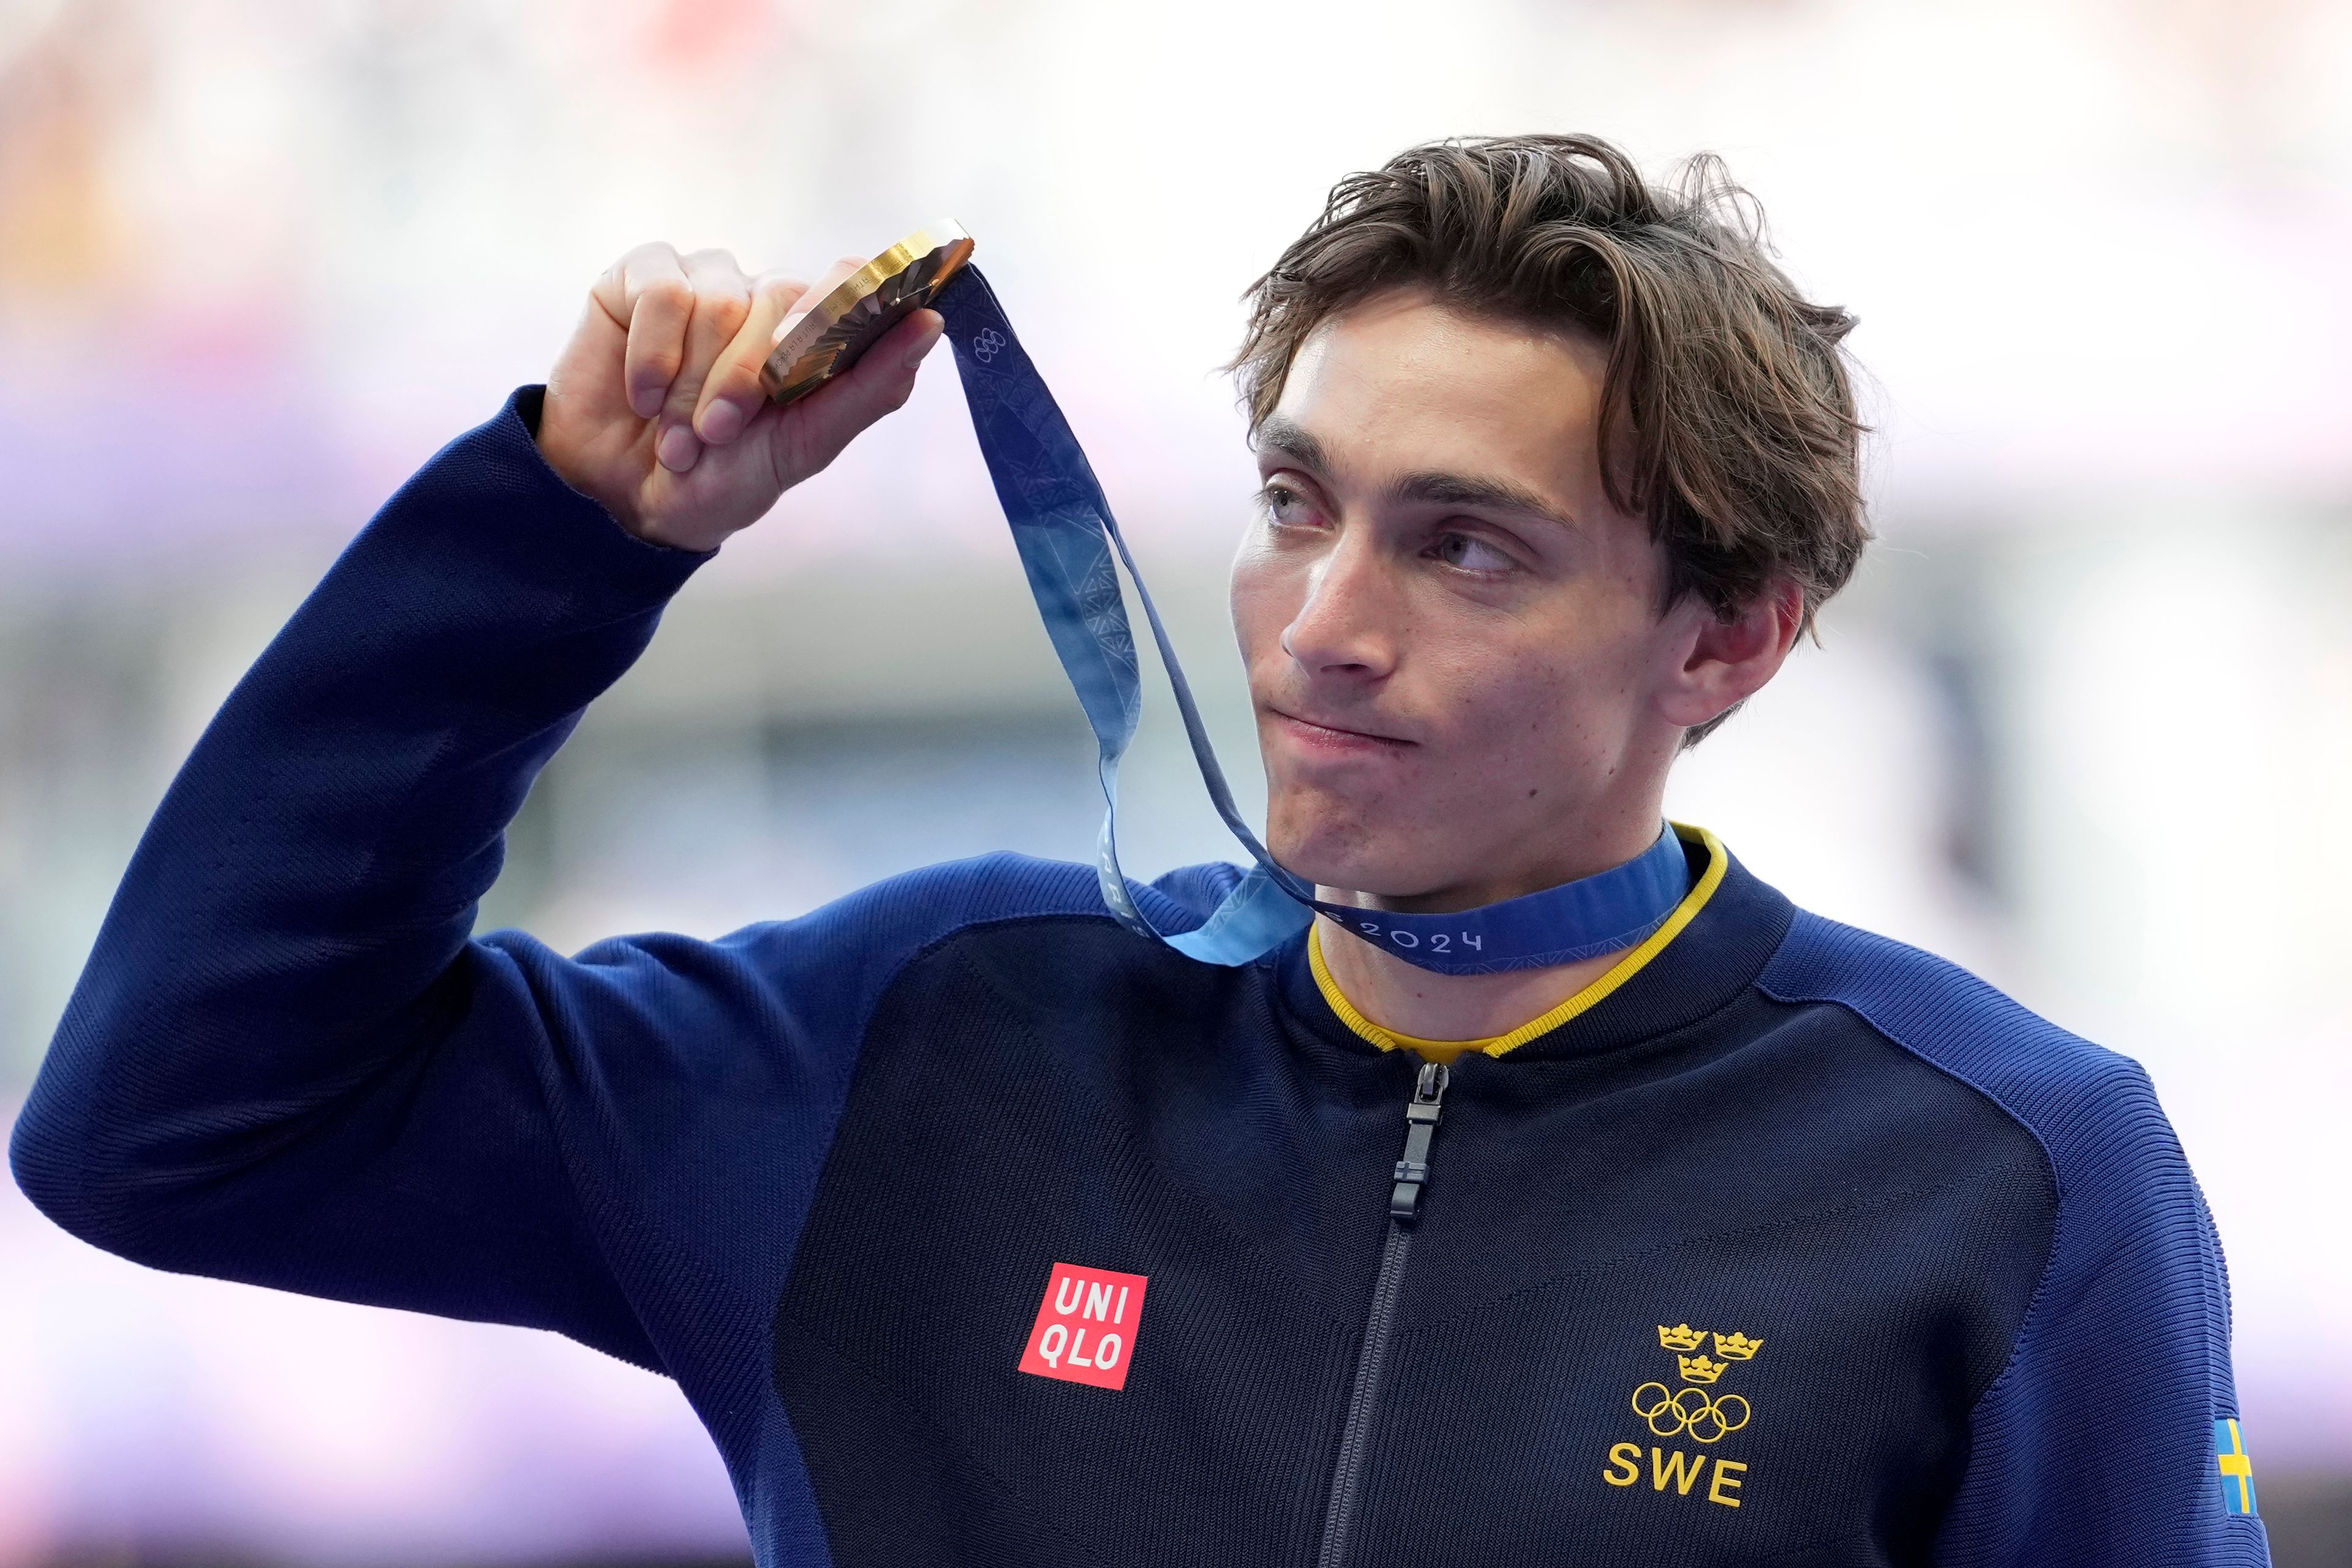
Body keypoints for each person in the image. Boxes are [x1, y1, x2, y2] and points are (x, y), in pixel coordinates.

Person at [9, 135, 2269, 1567]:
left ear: (1732, 638)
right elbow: (180, 1124)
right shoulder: (910, 1042)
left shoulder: (2006, 1175)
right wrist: (570, 540)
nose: (1325, 627)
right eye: (1300, 508)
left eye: (1466, 551)